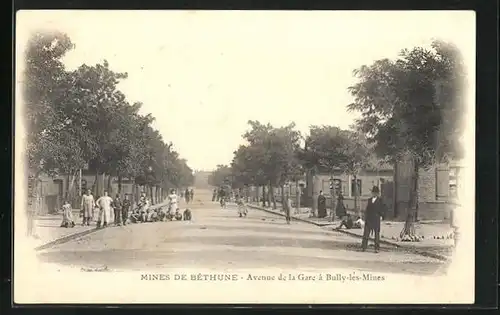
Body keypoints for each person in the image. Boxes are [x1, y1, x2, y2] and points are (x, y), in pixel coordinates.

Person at [361, 186, 386, 253]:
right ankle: (364, 247)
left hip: (376, 219)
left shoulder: (380, 200)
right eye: (373, 192)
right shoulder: (369, 200)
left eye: (376, 193)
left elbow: (383, 209)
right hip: (369, 219)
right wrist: (364, 217)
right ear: (372, 193)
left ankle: (376, 248)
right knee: (366, 233)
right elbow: (367, 209)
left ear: (378, 193)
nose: (374, 194)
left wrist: (382, 216)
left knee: (376, 235)